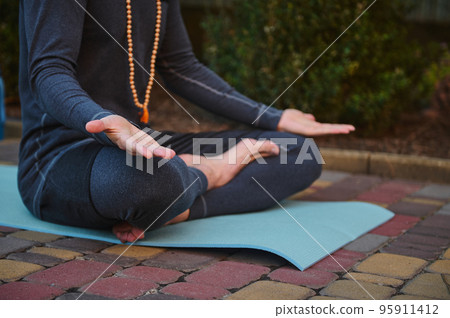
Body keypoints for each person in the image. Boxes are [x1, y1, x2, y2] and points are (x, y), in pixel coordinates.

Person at [18, 0, 354, 243]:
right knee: (145, 181)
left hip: (141, 144)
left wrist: (276, 117)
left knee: (299, 151)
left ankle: (178, 206)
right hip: (61, 154)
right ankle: (206, 173)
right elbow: (49, 70)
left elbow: (181, 67)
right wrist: (101, 119)